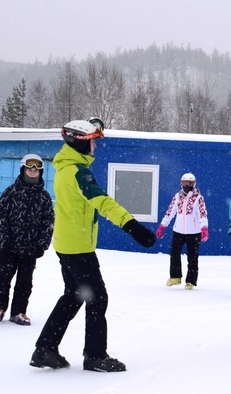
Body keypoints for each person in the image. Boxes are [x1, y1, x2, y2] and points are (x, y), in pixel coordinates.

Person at [30, 118, 156, 372]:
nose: (95, 147)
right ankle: (95, 356)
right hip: (78, 246)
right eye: (92, 142)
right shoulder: (78, 171)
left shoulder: (65, 167)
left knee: (74, 296)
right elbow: (102, 201)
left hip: (67, 243)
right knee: (97, 298)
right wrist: (132, 225)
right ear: (80, 143)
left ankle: (45, 349)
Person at [0, 154, 54, 325]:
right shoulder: (11, 192)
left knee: (25, 283)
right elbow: (1, 217)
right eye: (29, 169)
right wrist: (3, 240)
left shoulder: (44, 197)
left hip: (30, 249)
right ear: (23, 170)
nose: (33, 172)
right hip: (8, 247)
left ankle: (18, 312)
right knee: (2, 279)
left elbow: (48, 222)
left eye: (36, 169)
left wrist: (42, 245)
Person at [156, 173, 209, 290]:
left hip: (194, 232)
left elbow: (203, 214)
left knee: (192, 257)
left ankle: (191, 281)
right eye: (184, 183)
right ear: (181, 183)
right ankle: (175, 277)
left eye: (189, 183)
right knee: (174, 253)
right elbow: (170, 212)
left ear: (194, 184)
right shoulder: (177, 197)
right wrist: (162, 225)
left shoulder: (198, 198)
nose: (187, 185)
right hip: (178, 231)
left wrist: (204, 227)